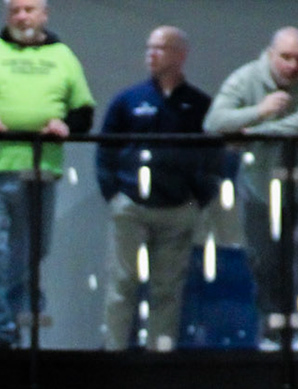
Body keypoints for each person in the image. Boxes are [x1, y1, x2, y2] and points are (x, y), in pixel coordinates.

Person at [0, 0, 94, 348]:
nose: (22, 16)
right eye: (15, 10)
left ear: (44, 14)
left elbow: (84, 113)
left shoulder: (63, 57)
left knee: (29, 255)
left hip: (40, 172)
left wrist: (65, 126)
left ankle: (8, 328)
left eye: (29, 9)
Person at [204, 28, 298, 351]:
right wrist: (259, 111)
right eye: (286, 58)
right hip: (259, 187)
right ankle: (272, 331)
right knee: (264, 261)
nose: (294, 65)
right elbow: (213, 122)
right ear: (270, 54)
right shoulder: (245, 78)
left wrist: (255, 132)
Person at [94, 26, 216, 352]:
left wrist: (199, 196)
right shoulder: (128, 100)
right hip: (131, 205)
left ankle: (159, 355)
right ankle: (114, 352)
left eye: (161, 48)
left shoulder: (199, 104)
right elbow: (105, 149)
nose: (152, 54)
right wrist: (113, 193)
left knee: (168, 288)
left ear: (180, 54)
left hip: (178, 208)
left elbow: (213, 156)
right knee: (122, 283)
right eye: (149, 47)